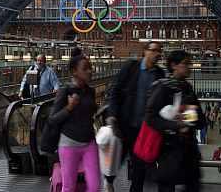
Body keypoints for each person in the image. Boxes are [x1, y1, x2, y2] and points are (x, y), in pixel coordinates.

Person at [105, 41, 165, 192]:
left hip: (144, 130)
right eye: (154, 50)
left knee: (139, 169)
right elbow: (115, 91)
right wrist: (112, 115)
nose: (157, 54)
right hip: (125, 125)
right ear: (145, 51)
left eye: (159, 51)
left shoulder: (159, 74)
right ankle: (109, 182)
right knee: (116, 159)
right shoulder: (130, 67)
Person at [145, 50, 206, 192]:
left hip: (188, 150)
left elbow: (199, 120)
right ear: (173, 65)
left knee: (192, 184)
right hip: (168, 150)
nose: (189, 67)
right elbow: (151, 118)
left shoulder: (187, 89)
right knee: (167, 185)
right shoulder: (163, 88)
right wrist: (176, 125)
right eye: (185, 64)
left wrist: (190, 118)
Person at [48, 48, 100, 192]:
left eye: (90, 68)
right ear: (74, 71)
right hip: (69, 145)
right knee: (69, 187)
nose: (90, 71)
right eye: (85, 68)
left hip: (89, 143)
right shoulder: (65, 92)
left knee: (95, 186)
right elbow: (52, 119)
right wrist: (69, 107)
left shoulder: (91, 91)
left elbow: (90, 112)